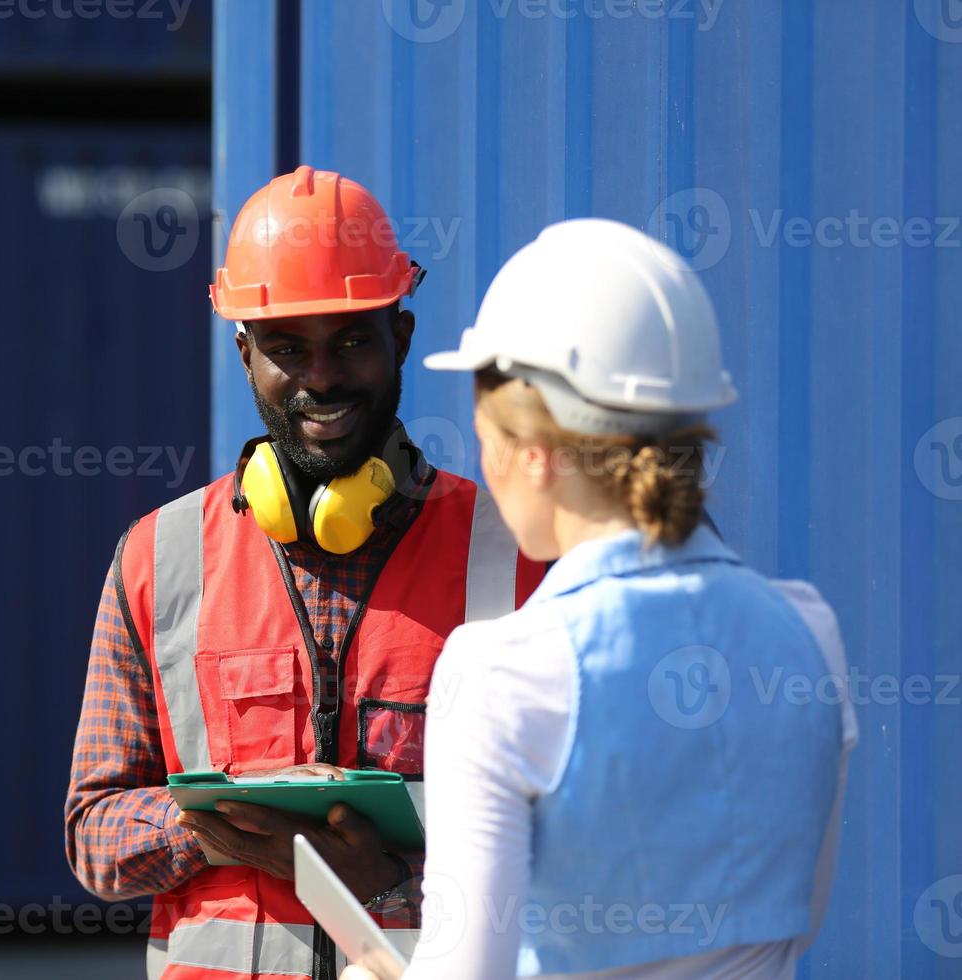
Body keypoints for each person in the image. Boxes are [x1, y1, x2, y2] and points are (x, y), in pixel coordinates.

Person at [343, 219, 858, 979]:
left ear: (537, 453)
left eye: (486, 436)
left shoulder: (500, 671)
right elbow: (800, 921)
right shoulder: (810, 631)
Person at [64, 166, 544, 980]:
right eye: (288, 348)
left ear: (402, 337)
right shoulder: (158, 557)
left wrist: (391, 887)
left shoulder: (513, 554)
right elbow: (93, 831)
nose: (321, 377)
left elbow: (578, 846)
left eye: (351, 340)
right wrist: (214, 825)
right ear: (246, 353)